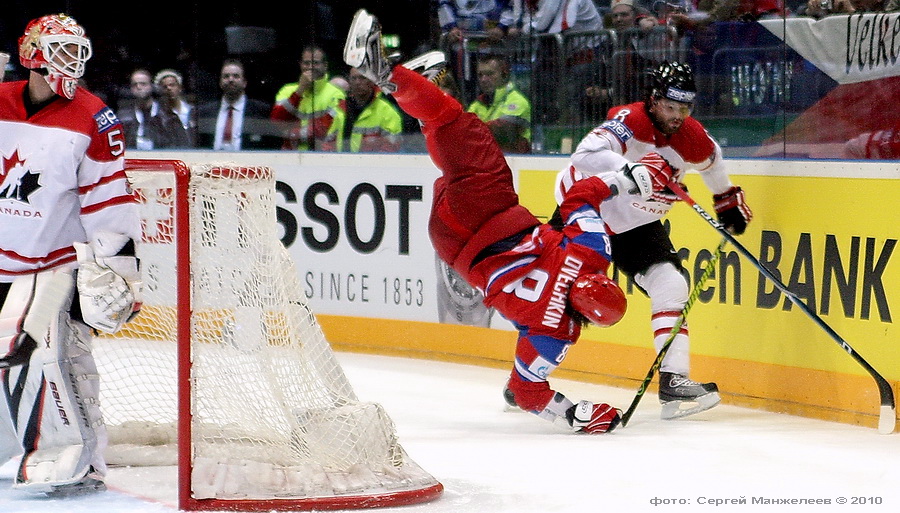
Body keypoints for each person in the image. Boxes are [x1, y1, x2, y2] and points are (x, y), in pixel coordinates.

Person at [344, 9, 679, 434]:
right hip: (454, 248)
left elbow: (579, 195)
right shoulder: (556, 335)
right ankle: (419, 85)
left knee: (456, 126)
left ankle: (392, 75)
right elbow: (528, 393)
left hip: (491, 212)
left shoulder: (592, 255)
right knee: (451, 151)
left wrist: (628, 179)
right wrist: (579, 415)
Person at [554, 61, 753, 420]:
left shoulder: (691, 136)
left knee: (671, 283)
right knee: (554, 298)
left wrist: (726, 199)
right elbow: (583, 155)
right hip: (585, 209)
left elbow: (712, 163)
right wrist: (634, 171)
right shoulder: (629, 121)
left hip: (634, 223)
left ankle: (674, 379)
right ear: (654, 99)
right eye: (671, 107)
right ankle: (528, 376)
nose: (678, 116)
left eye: (685, 108)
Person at [0, 13, 142, 495]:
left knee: (61, 364)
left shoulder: (95, 118)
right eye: (60, 51)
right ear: (32, 55)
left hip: (49, 268)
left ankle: (84, 463)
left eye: (77, 51)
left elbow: (110, 203)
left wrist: (119, 272)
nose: (73, 62)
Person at [270, 45, 346, 151]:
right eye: (306, 63)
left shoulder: (336, 94)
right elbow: (276, 121)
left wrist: (290, 134)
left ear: (325, 66)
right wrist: (299, 91)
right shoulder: (287, 90)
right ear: (300, 65)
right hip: (290, 159)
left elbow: (322, 131)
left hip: (322, 159)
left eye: (315, 63)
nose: (310, 67)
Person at [195, 59, 281, 151]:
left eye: (236, 76)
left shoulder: (261, 111)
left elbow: (272, 145)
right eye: (226, 76)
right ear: (220, 83)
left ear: (244, 83)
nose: (230, 80)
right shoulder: (205, 112)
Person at [467, 52, 531, 154]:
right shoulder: (476, 104)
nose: (483, 79)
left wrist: (472, 130)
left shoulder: (517, 101)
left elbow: (502, 131)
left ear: (504, 74)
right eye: (480, 75)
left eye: (489, 74)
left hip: (514, 164)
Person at [117, 68, 189, 149]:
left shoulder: (168, 116)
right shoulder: (124, 117)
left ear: (151, 86)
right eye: (135, 84)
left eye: (143, 84)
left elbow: (183, 146)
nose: (139, 87)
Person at [343, 67, 403, 152]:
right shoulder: (341, 110)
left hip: (373, 163)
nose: (357, 82)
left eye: (362, 78)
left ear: (372, 81)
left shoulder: (387, 112)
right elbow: (329, 143)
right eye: (354, 78)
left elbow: (390, 150)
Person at [154, 68, 195, 145]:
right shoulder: (159, 119)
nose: (169, 88)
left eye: (172, 85)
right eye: (164, 87)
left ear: (180, 88)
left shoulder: (193, 111)